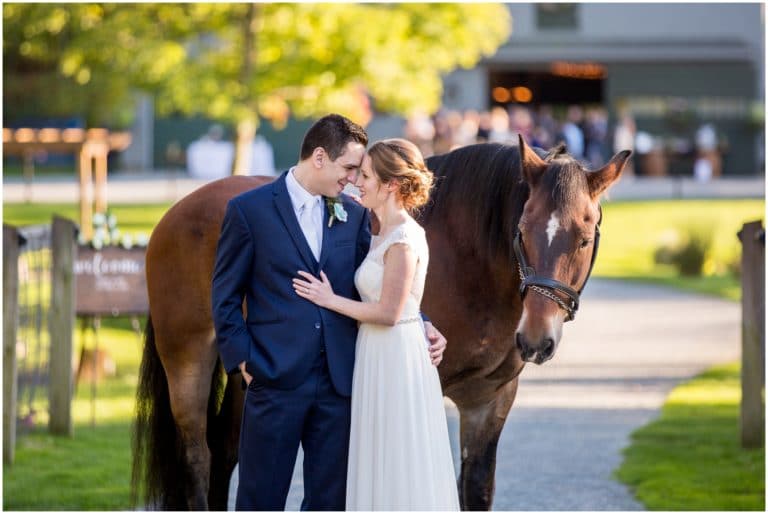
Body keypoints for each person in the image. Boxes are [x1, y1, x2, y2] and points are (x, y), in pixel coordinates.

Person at [211, 114, 447, 511]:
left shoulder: (353, 215)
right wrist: (243, 361)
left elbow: (370, 285)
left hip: (340, 386)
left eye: (360, 172)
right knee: (260, 500)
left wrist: (419, 323)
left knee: (331, 503)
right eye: (350, 168)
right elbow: (225, 297)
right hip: (274, 380)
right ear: (319, 157)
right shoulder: (248, 211)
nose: (354, 179)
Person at [293, 138, 460, 511]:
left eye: (365, 175)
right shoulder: (379, 233)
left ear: (391, 184)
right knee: (377, 453)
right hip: (375, 352)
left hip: (395, 357)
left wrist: (329, 299)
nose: (357, 182)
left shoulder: (403, 238)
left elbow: (389, 311)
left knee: (398, 455)